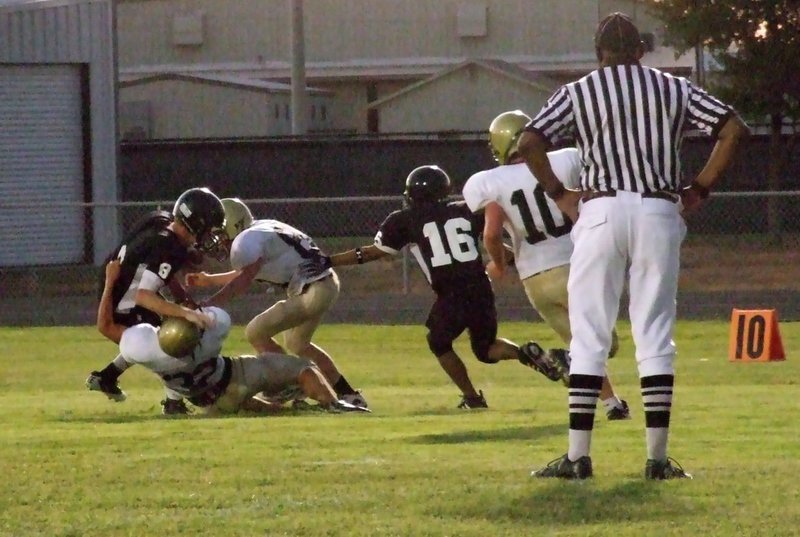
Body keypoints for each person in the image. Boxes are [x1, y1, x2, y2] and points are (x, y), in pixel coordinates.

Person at [518, 12, 749, 480]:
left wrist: (562, 195)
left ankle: (578, 457)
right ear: (640, 50)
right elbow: (732, 128)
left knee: (589, 334)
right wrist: (700, 187)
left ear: (598, 52)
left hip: (600, 211)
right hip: (658, 209)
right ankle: (657, 460)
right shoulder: (673, 88)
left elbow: (528, 142)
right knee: (655, 332)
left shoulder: (579, 91)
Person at [324, 165, 570, 409]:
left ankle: (472, 398)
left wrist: (331, 260)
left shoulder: (404, 220)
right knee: (486, 348)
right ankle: (529, 354)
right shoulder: (465, 211)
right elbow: (488, 242)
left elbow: (372, 252)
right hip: (480, 288)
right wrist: (516, 259)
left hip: (452, 292)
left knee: (439, 342)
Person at [462, 109, 630, 421]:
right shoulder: (565, 161)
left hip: (535, 281)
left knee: (580, 344)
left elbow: (492, 233)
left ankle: (612, 405)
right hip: (575, 267)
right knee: (602, 345)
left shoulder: (491, 182)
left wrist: (498, 266)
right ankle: (569, 361)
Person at [96, 260, 369, 414]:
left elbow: (105, 325)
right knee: (304, 368)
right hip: (234, 374)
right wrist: (191, 309)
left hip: (211, 403)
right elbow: (208, 314)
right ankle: (334, 405)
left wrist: (110, 283)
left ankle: (292, 407)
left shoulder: (146, 351)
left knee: (276, 413)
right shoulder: (212, 333)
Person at [184, 198, 368, 408]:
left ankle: (289, 384)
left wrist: (210, 304)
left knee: (256, 332)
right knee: (298, 344)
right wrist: (210, 280)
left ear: (234, 225)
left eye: (219, 232)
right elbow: (249, 272)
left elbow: (244, 279)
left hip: (312, 290)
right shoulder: (261, 229)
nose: (217, 239)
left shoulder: (246, 239)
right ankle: (348, 394)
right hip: (323, 284)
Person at [86, 187, 226, 415]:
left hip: (122, 285)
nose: (212, 236)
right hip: (125, 302)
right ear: (197, 224)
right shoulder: (170, 247)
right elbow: (144, 294)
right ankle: (175, 401)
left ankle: (107, 377)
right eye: (210, 229)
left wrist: (181, 297)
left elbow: (155, 269)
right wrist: (185, 312)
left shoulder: (159, 220)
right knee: (173, 345)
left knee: (161, 338)